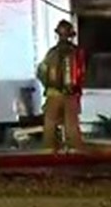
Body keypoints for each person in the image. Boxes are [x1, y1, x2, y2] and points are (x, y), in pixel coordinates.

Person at [36, 19, 86, 152]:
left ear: (58, 35)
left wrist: (48, 85)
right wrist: (77, 89)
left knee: (50, 122)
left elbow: (41, 71)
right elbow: (82, 73)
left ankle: (49, 149)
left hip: (53, 94)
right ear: (71, 35)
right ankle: (74, 149)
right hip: (71, 93)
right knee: (71, 123)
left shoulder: (51, 53)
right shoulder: (77, 52)